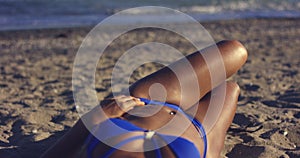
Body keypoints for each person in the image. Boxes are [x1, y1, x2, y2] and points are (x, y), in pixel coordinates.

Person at [41, 40, 248, 158]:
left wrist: (97, 116)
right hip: (200, 130)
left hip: (151, 99)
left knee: (235, 51)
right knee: (230, 89)